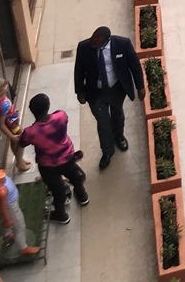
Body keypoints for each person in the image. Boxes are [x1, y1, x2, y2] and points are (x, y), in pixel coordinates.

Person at [74, 26, 145, 170]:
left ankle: (119, 137)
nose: (92, 43)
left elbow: (135, 66)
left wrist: (140, 86)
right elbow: (79, 70)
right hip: (96, 92)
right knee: (103, 122)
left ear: (106, 40)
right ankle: (107, 151)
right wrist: (80, 91)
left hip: (116, 89)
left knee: (118, 114)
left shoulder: (122, 44)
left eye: (96, 41)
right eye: (92, 39)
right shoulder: (84, 47)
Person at [18, 94, 88, 223]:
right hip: (68, 157)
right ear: (48, 106)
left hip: (48, 166)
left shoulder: (31, 132)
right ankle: (82, 196)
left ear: (32, 111)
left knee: (57, 190)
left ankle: (61, 215)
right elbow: (65, 120)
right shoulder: (60, 116)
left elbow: (22, 142)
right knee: (75, 177)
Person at [0, 170, 39, 259]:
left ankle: (8, 234)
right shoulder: (1, 190)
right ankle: (23, 247)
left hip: (11, 202)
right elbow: (3, 207)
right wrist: (7, 219)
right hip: (10, 207)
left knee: (9, 223)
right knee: (19, 226)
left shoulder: (1, 176)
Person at [0, 80, 29, 172]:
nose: (7, 87)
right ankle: (19, 162)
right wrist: (11, 136)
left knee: (15, 142)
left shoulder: (3, 98)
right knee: (21, 140)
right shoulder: (2, 105)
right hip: (12, 125)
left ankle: (19, 159)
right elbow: (1, 125)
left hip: (13, 121)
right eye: (4, 86)